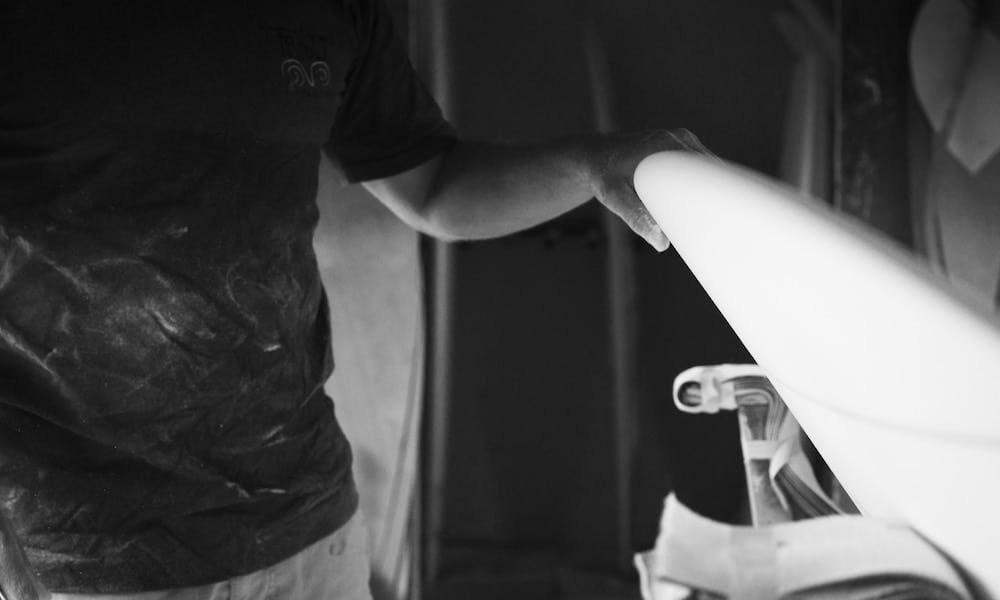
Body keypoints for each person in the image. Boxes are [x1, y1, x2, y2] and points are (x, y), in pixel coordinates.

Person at [0, 0, 709, 598]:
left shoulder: (332, 10)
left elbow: (435, 185)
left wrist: (596, 163)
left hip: (305, 519)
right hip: (80, 548)